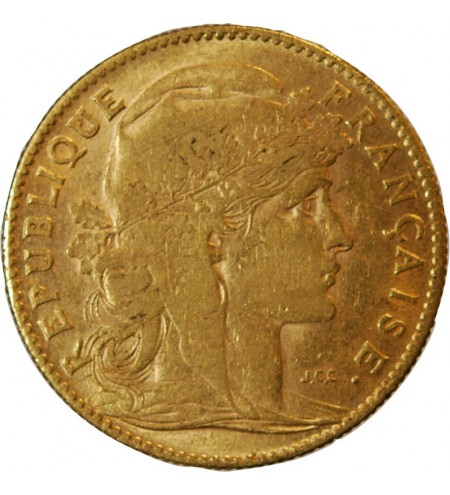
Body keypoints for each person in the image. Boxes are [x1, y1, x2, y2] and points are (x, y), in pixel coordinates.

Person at [68, 64, 353, 432]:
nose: (340, 236)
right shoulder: (178, 428)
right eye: (306, 207)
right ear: (210, 244)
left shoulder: (318, 418)